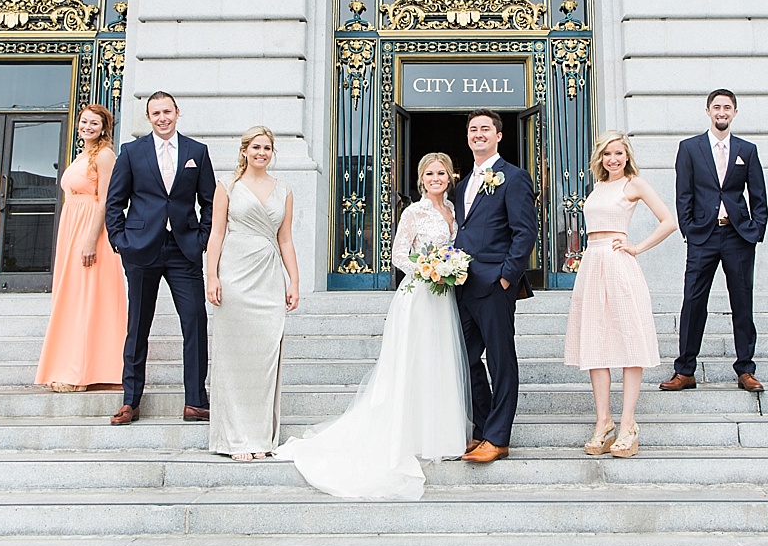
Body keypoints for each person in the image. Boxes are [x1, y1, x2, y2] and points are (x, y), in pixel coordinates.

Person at [277, 152, 470, 497]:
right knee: (411, 364)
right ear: (421, 178)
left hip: (444, 299)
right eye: (429, 173)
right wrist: (428, 269)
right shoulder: (414, 212)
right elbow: (397, 254)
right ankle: (405, 434)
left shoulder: (454, 212)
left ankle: (437, 435)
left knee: (437, 364)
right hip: (418, 296)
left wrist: (450, 269)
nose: (436, 178)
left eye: (441, 172)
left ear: (450, 176)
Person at [104, 91, 216, 426]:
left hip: (184, 250)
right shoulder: (131, 152)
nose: (162, 117)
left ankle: (196, 401)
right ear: (148, 117)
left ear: (177, 112)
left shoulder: (197, 152)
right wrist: (122, 242)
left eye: (167, 111)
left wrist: (202, 239)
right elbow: (114, 203)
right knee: (137, 326)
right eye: (156, 113)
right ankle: (130, 401)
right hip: (141, 249)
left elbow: (209, 201)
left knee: (195, 321)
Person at [563, 131, 675, 458]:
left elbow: (669, 221)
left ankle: (628, 423)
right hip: (592, 263)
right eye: (608, 154)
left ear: (627, 156)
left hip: (619, 262)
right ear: (601, 157)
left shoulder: (634, 184)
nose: (613, 159)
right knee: (595, 340)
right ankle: (603, 421)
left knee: (628, 341)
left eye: (619, 153)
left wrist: (636, 247)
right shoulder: (598, 187)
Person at [663, 88, 768, 394]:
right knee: (693, 302)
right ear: (708, 111)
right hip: (703, 236)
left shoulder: (747, 150)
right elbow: (683, 194)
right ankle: (685, 370)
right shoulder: (690, 148)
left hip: (738, 236)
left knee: (742, 302)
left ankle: (746, 369)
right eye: (717, 107)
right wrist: (689, 229)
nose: (722, 112)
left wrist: (756, 229)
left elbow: (758, 195)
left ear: (735, 112)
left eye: (727, 107)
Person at [206, 126, 301, 460]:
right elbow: (216, 234)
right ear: (244, 150)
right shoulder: (227, 187)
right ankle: (234, 439)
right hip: (234, 275)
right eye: (256, 147)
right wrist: (212, 277)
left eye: (268, 148)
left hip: (268, 278)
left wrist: (294, 281)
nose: (262, 153)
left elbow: (285, 238)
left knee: (264, 359)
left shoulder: (284, 190)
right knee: (233, 360)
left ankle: (260, 437)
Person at [453, 108, 537, 464]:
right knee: (467, 359)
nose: (478, 134)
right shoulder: (461, 185)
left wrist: (507, 276)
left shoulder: (514, 177)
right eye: (473, 129)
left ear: (499, 136)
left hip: (495, 284)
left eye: (485, 128)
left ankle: (499, 438)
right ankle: (482, 430)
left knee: (501, 361)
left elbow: (525, 231)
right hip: (461, 284)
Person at [35, 104, 126, 393]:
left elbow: (105, 200)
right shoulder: (80, 156)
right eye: (84, 121)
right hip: (71, 227)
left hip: (90, 231)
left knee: (87, 297)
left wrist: (91, 239)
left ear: (104, 128)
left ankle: (81, 372)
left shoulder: (105, 155)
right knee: (72, 296)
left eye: (94, 123)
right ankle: (68, 364)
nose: (88, 126)